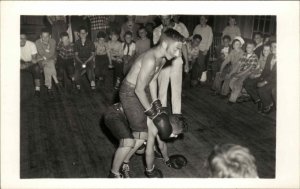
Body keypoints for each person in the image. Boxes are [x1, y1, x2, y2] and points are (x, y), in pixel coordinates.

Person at [119, 28, 185, 178]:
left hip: (143, 90)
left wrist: (156, 103)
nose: (177, 54)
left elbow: (153, 80)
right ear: (164, 45)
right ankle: (123, 164)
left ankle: (153, 161)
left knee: (154, 129)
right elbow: (138, 90)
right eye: (176, 49)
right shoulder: (150, 58)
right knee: (142, 135)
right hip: (129, 93)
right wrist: (152, 113)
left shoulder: (162, 58)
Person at [35, 28, 61, 98]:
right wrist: (46, 54)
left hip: (51, 59)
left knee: (47, 66)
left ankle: (49, 88)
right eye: (43, 36)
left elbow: (52, 53)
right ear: (40, 36)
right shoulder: (37, 42)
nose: (45, 38)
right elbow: (41, 53)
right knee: (49, 64)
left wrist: (47, 55)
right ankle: (56, 81)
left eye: (47, 36)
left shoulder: (53, 41)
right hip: (41, 59)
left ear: (50, 36)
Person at [73, 26, 96, 93]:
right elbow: (76, 55)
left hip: (88, 59)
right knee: (77, 71)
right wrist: (81, 62)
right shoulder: (77, 43)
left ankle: (92, 83)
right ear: (78, 34)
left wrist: (86, 62)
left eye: (84, 33)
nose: (82, 34)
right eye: (81, 33)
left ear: (87, 33)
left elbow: (92, 55)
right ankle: (78, 85)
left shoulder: (91, 42)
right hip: (79, 60)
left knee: (90, 70)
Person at [192, 16, 213, 85]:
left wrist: (206, 49)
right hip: (194, 47)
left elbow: (210, 40)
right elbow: (193, 36)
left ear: (206, 20)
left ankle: (198, 78)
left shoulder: (209, 29)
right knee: (194, 64)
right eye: (200, 19)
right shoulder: (197, 27)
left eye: (202, 19)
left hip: (203, 49)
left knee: (200, 64)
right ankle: (194, 78)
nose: (201, 20)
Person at [257, 41, 276, 114]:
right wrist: (261, 78)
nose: (273, 48)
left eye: (275, 46)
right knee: (258, 87)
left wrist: (264, 82)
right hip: (269, 78)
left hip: (277, 80)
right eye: (271, 46)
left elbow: (275, 74)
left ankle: (270, 105)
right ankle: (268, 103)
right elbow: (266, 70)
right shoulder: (270, 56)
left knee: (263, 89)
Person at [20, 31, 41, 97]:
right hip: (21, 61)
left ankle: (37, 89)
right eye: (20, 38)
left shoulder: (31, 45)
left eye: (24, 38)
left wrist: (25, 65)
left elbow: (34, 60)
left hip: (30, 62)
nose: (22, 40)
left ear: (26, 39)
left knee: (36, 68)